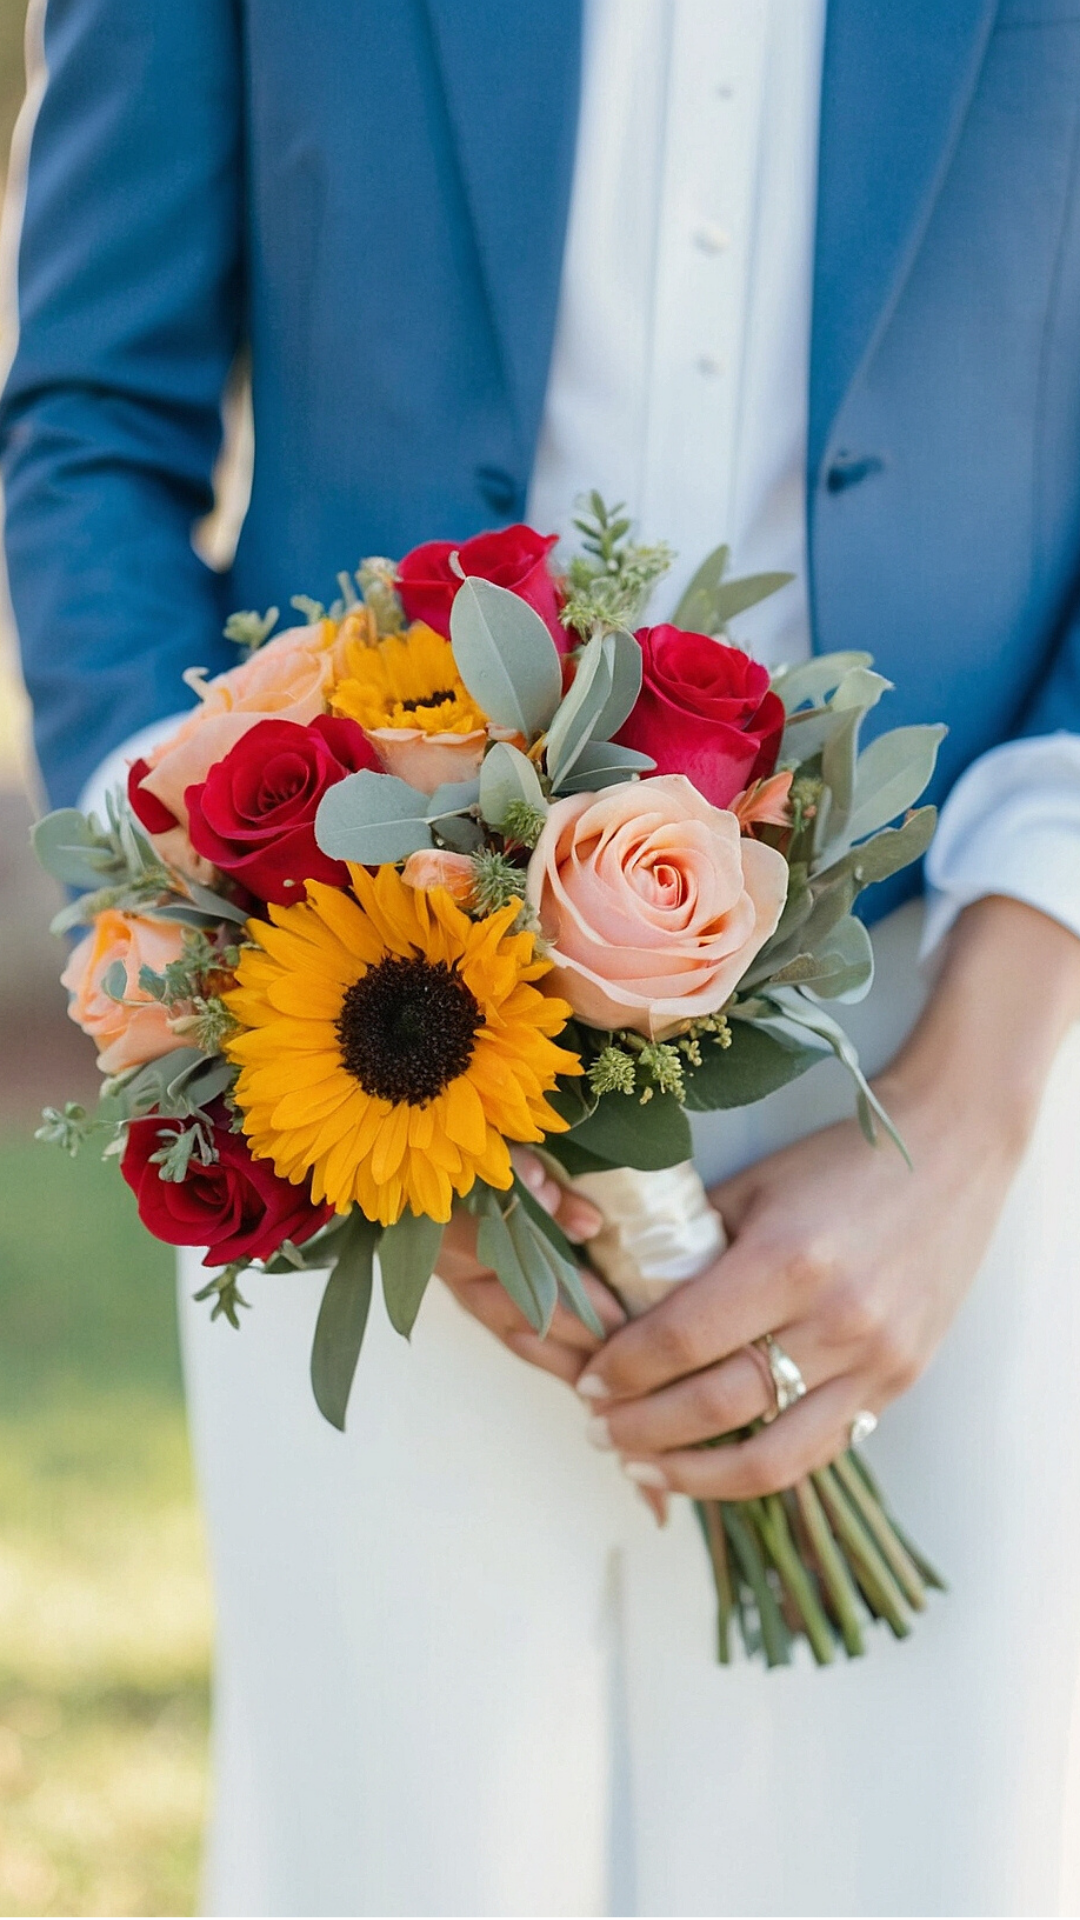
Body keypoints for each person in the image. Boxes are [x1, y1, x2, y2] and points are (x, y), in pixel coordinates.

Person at [5, 0, 1080, 1911]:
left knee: (923, 1853)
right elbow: (93, 416)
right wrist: (232, 956)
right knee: (394, 1856)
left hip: (980, 1006)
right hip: (344, 1026)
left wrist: (983, 1101)